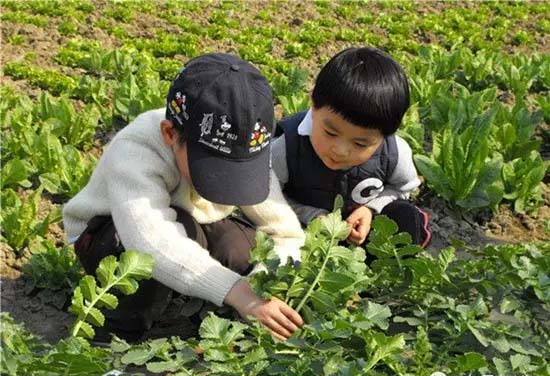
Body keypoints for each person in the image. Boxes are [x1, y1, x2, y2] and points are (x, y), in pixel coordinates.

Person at [63, 53, 305, 342]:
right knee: (142, 256)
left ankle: (194, 305)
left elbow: (287, 234)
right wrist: (238, 292)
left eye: (238, 170)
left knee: (242, 247)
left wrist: (262, 285)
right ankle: (116, 335)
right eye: (215, 168)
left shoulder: (245, 144)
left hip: (193, 223)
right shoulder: (136, 149)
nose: (226, 180)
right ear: (169, 133)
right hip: (109, 234)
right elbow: (149, 241)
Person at [272, 47, 431, 255]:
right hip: (305, 235)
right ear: (313, 104)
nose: (340, 150)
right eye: (330, 132)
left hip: (360, 236)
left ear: (386, 135)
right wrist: (312, 216)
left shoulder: (394, 153)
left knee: (406, 218)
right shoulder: (286, 147)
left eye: (360, 144)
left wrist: (371, 209)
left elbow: (403, 189)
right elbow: (267, 197)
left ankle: (376, 281)